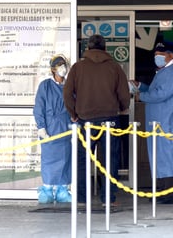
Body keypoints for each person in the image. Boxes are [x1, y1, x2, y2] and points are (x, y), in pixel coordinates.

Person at [63, 34, 130, 206]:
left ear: (88, 48)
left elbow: (67, 94)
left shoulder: (78, 68)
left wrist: (74, 113)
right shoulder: (115, 68)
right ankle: (108, 198)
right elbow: (124, 94)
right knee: (109, 160)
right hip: (110, 119)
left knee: (83, 159)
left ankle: (82, 198)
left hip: (85, 120)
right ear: (105, 48)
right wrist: (122, 107)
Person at [130, 42, 173, 204]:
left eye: (161, 55)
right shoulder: (165, 72)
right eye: (156, 55)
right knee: (160, 157)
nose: (157, 58)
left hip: (166, 121)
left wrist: (143, 96)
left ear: (171, 55)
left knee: (167, 157)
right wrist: (140, 86)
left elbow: (162, 94)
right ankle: (162, 190)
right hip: (160, 121)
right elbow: (157, 90)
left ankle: (168, 193)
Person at [33, 54, 72, 204]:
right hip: (50, 129)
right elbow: (39, 108)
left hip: (66, 128)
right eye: (60, 65)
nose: (63, 67)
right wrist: (41, 127)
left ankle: (63, 189)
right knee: (49, 160)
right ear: (53, 69)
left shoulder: (69, 86)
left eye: (64, 64)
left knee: (65, 159)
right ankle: (47, 189)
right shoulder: (45, 86)